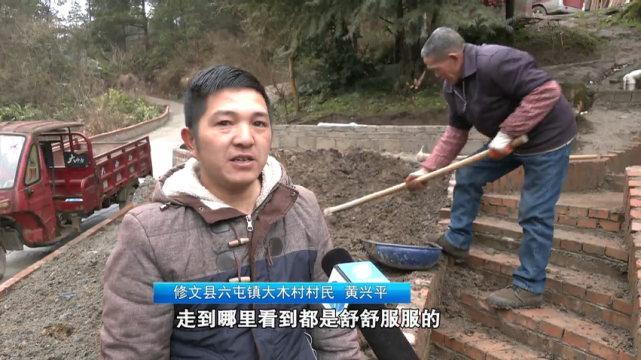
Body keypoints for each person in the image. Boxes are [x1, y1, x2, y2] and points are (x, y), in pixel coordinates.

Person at [100, 65, 363, 360]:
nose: (245, 138)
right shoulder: (149, 234)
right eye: (225, 123)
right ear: (191, 141)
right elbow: (133, 351)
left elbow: (335, 330)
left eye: (259, 124)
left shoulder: (302, 207)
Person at [405, 27, 577, 309]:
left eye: (437, 69)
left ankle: (530, 286)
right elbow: (456, 132)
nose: (436, 76)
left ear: (454, 57)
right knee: (469, 172)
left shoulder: (496, 61)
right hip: (509, 141)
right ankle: (457, 240)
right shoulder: (453, 87)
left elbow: (548, 91)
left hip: (548, 141)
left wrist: (508, 132)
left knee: (535, 211)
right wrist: (428, 169)